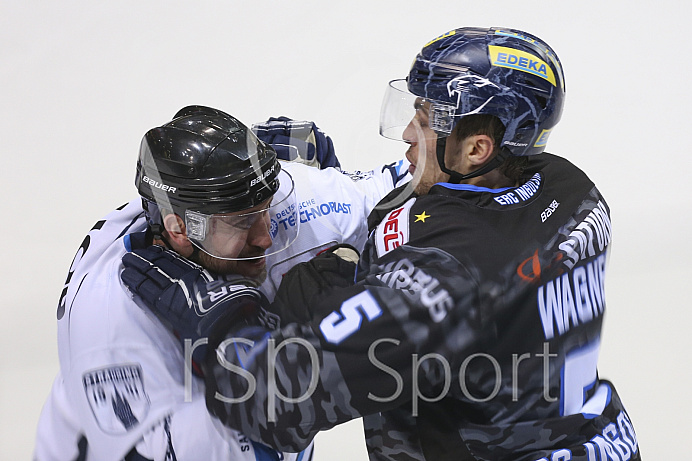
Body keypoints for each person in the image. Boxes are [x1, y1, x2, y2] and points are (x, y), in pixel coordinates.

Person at [122, 28, 641, 460]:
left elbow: (276, 399)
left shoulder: (444, 280)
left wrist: (216, 313)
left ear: (478, 147)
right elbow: (457, 233)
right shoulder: (570, 186)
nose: (407, 136)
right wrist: (336, 201)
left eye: (425, 119)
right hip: (602, 441)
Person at [34, 105, 409, 460]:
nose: (266, 236)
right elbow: (269, 431)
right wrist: (282, 339)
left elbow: (417, 182)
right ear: (179, 229)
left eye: (267, 209)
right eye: (244, 222)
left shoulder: (263, 203)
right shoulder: (107, 323)